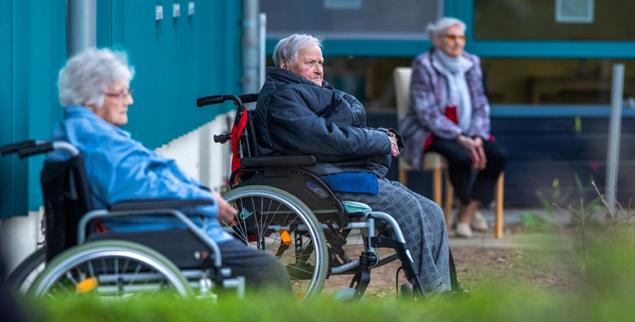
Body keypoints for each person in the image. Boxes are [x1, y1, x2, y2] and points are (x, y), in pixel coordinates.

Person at [52, 48, 291, 291]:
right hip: (156, 231)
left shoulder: (88, 131)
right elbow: (139, 190)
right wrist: (205, 200)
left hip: (157, 226)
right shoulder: (97, 140)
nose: (129, 101)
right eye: (121, 93)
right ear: (92, 97)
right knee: (267, 269)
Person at [254, 34, 452, 295]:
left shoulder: (310, 92)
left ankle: (441, 289)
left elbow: (334, 133)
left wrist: (380, 136)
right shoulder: (284, 98)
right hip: (315, 180)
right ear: (284, 65)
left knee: (432, 211)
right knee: (406, 207)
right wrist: (378, 141)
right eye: (309, 62)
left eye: (320, 62)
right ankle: (434, 294)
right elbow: (324, 138)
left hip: (333, 171)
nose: (318, 69)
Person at [400, 17, 507, 238]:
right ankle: (466, 207)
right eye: (451, 37)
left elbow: (480, 103)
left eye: (461, 37)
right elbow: (425, 111)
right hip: (429, 130)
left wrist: (477, 136)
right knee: (461, 157)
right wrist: (459, 137)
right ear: (437, 40)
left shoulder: (472, 62)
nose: (457, 42)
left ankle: (467, 211)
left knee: (497, 155)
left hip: (469, 130)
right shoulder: (424, 63)